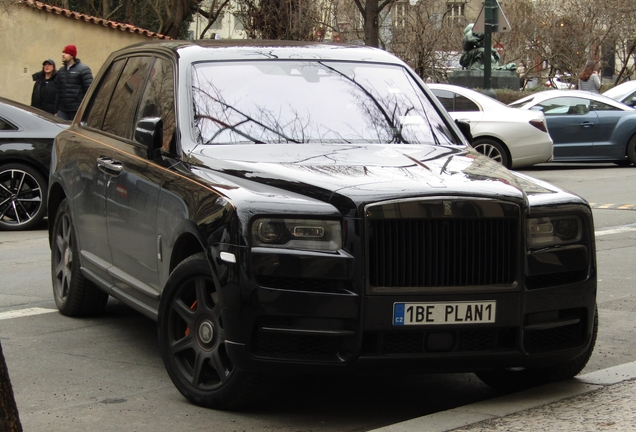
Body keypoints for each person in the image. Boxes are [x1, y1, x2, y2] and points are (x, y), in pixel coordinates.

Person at [55, 44, 93, 120]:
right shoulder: (61, 71)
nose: (63, 55)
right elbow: (58, 91)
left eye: (66, 53)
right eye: (63, 52)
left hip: (76, 110)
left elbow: (89, 90)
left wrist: (86, 109)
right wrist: (56, 110)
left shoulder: (83, 69)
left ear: (72, 56)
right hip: (62, 110)